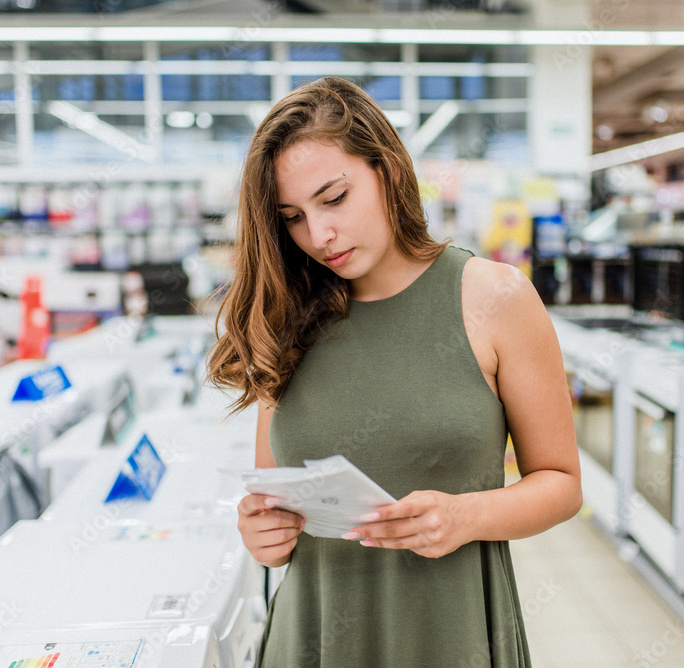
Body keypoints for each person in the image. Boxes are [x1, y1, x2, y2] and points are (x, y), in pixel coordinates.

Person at [206, 76, 581, 668]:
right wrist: (263, 537)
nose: (318, 234)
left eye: (334, 198)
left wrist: (467, 515)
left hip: (449, 633)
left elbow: (561, 483)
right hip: (314, 635)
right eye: (293, 217)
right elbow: (276, 499)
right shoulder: (286, 317)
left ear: (390, 170)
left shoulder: (495, 298)